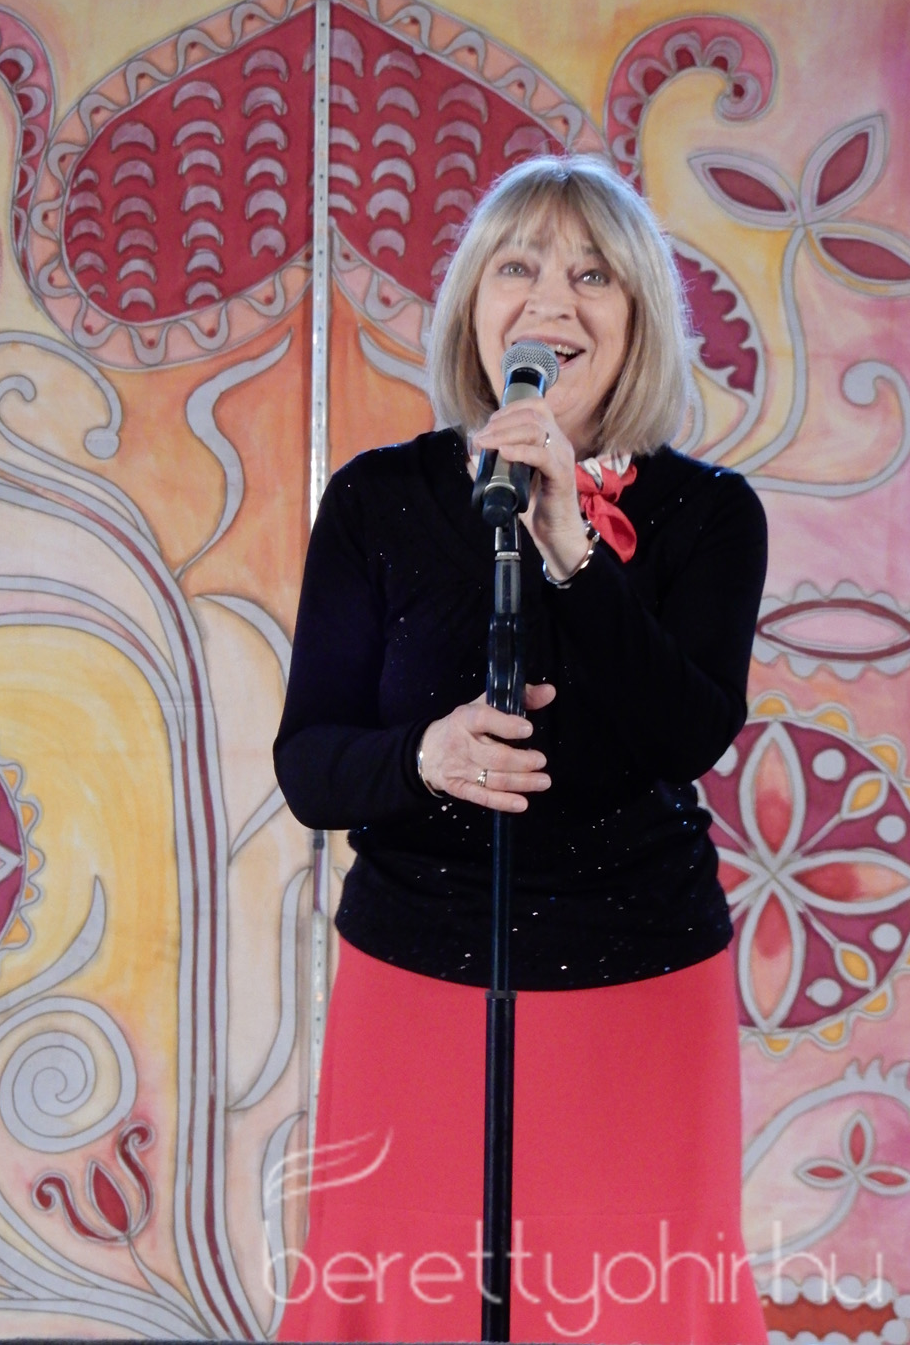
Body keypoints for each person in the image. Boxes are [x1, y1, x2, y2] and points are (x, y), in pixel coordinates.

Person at [272, 153, 769, 1344]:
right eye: (519, 268)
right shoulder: (379, 501)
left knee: (634, 1299)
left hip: (639, 985)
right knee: (411, 1298)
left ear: (637, 318)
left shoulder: (709, 515)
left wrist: (570, 550)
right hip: (416, 977)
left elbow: (688, 734)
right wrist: (422, 757)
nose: (553, 300)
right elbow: (310, 764)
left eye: (593, 275)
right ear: (475, 308)